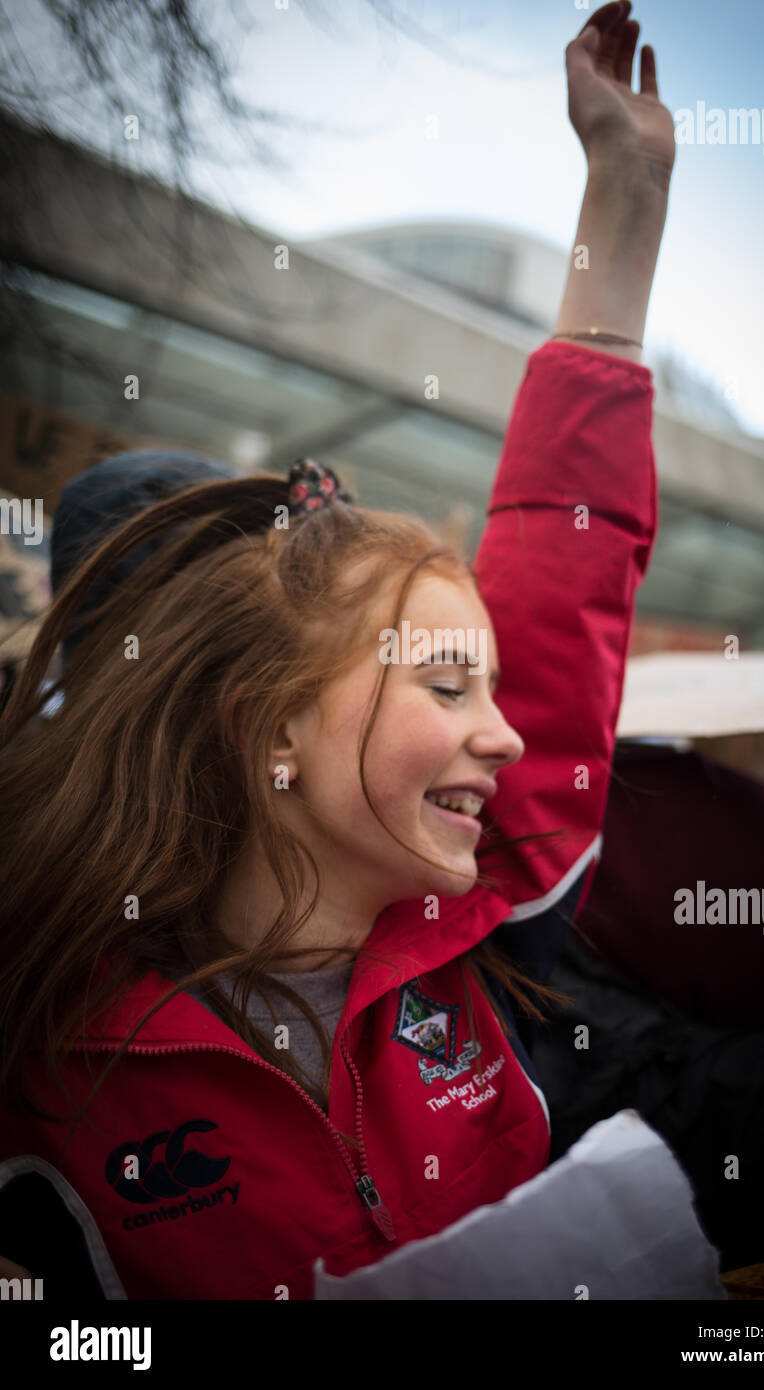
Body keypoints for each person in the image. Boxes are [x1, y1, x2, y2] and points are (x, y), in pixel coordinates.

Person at [0, 2, 680, 1300]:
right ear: (266, 729)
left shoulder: (474, 912)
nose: (511, 727)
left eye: (490, 680)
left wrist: (627, 187)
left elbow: (559, 557)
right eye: (444, 680)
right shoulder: (42, 1064)